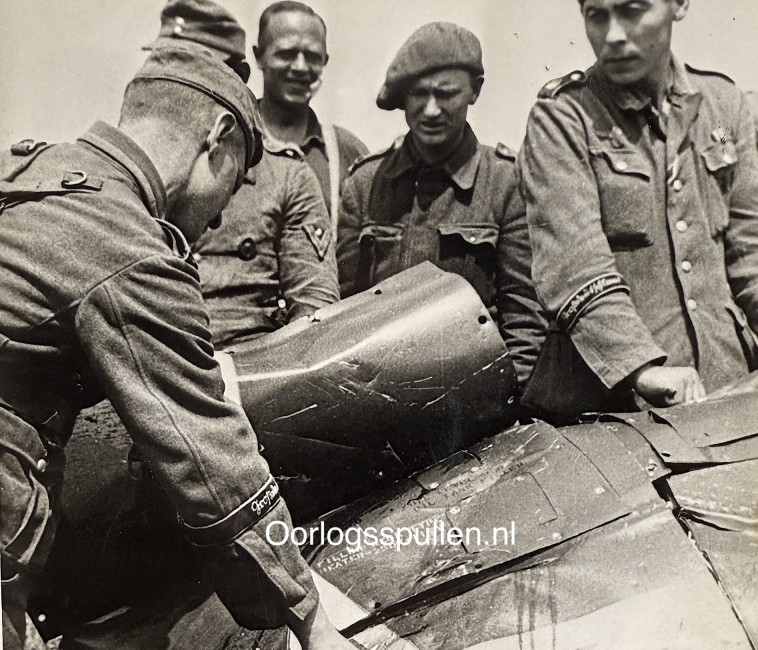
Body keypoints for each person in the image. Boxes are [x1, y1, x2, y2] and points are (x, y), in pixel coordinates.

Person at [0, 44, 378, 650]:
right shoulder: (126, 246)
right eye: (231, 191)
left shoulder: (32, 170)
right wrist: (314, 625)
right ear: (219, 140)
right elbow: (209, 461)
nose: (208, 227)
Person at [519, 0, 758, 424]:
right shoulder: (562, 118)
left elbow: (754, 252)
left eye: (632, 10)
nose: (613, 34)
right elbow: (574, 265)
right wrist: (642, 368)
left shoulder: (722, 104)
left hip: (727, 387)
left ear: (679, 5)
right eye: (597, 14)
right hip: (611, 409)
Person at [336, 22, 546, 396]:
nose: (431, 110)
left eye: (446, 94)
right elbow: (340, 309)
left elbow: (524, 323)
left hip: (473, 397)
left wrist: (503, 406)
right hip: (375, 396)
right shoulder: (366, 184)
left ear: (474, 92)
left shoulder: (506, 183)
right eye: (418, 94)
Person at [150, 0, 339, 345]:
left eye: (311, 55)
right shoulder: (145, 162)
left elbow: (315, 305)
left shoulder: (291, 174)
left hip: (249, 360)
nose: (300, 67)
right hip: (158, 349)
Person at [253, 1, 368, 235]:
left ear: (325, 60)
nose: (300, 67)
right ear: (259, 57)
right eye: (286, 53)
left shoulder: (346, 153)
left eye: (312, 56)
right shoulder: (231, 140)